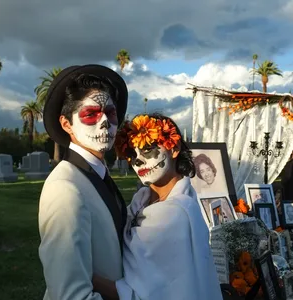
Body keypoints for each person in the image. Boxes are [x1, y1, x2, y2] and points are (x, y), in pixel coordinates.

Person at [92, 113, 223, 299]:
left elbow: (145, 295)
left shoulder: (175, 214)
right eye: (131, 153)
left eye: (147, 149)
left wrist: (86, 277)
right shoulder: (141, 201)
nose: (137, 160)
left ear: (174, 148)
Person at [38, 65, 128, 300]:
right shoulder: (65, 188)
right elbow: (70, 295)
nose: (105, 123)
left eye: (110, 112)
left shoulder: (98, 174)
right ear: (66, 124)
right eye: (91, 114)